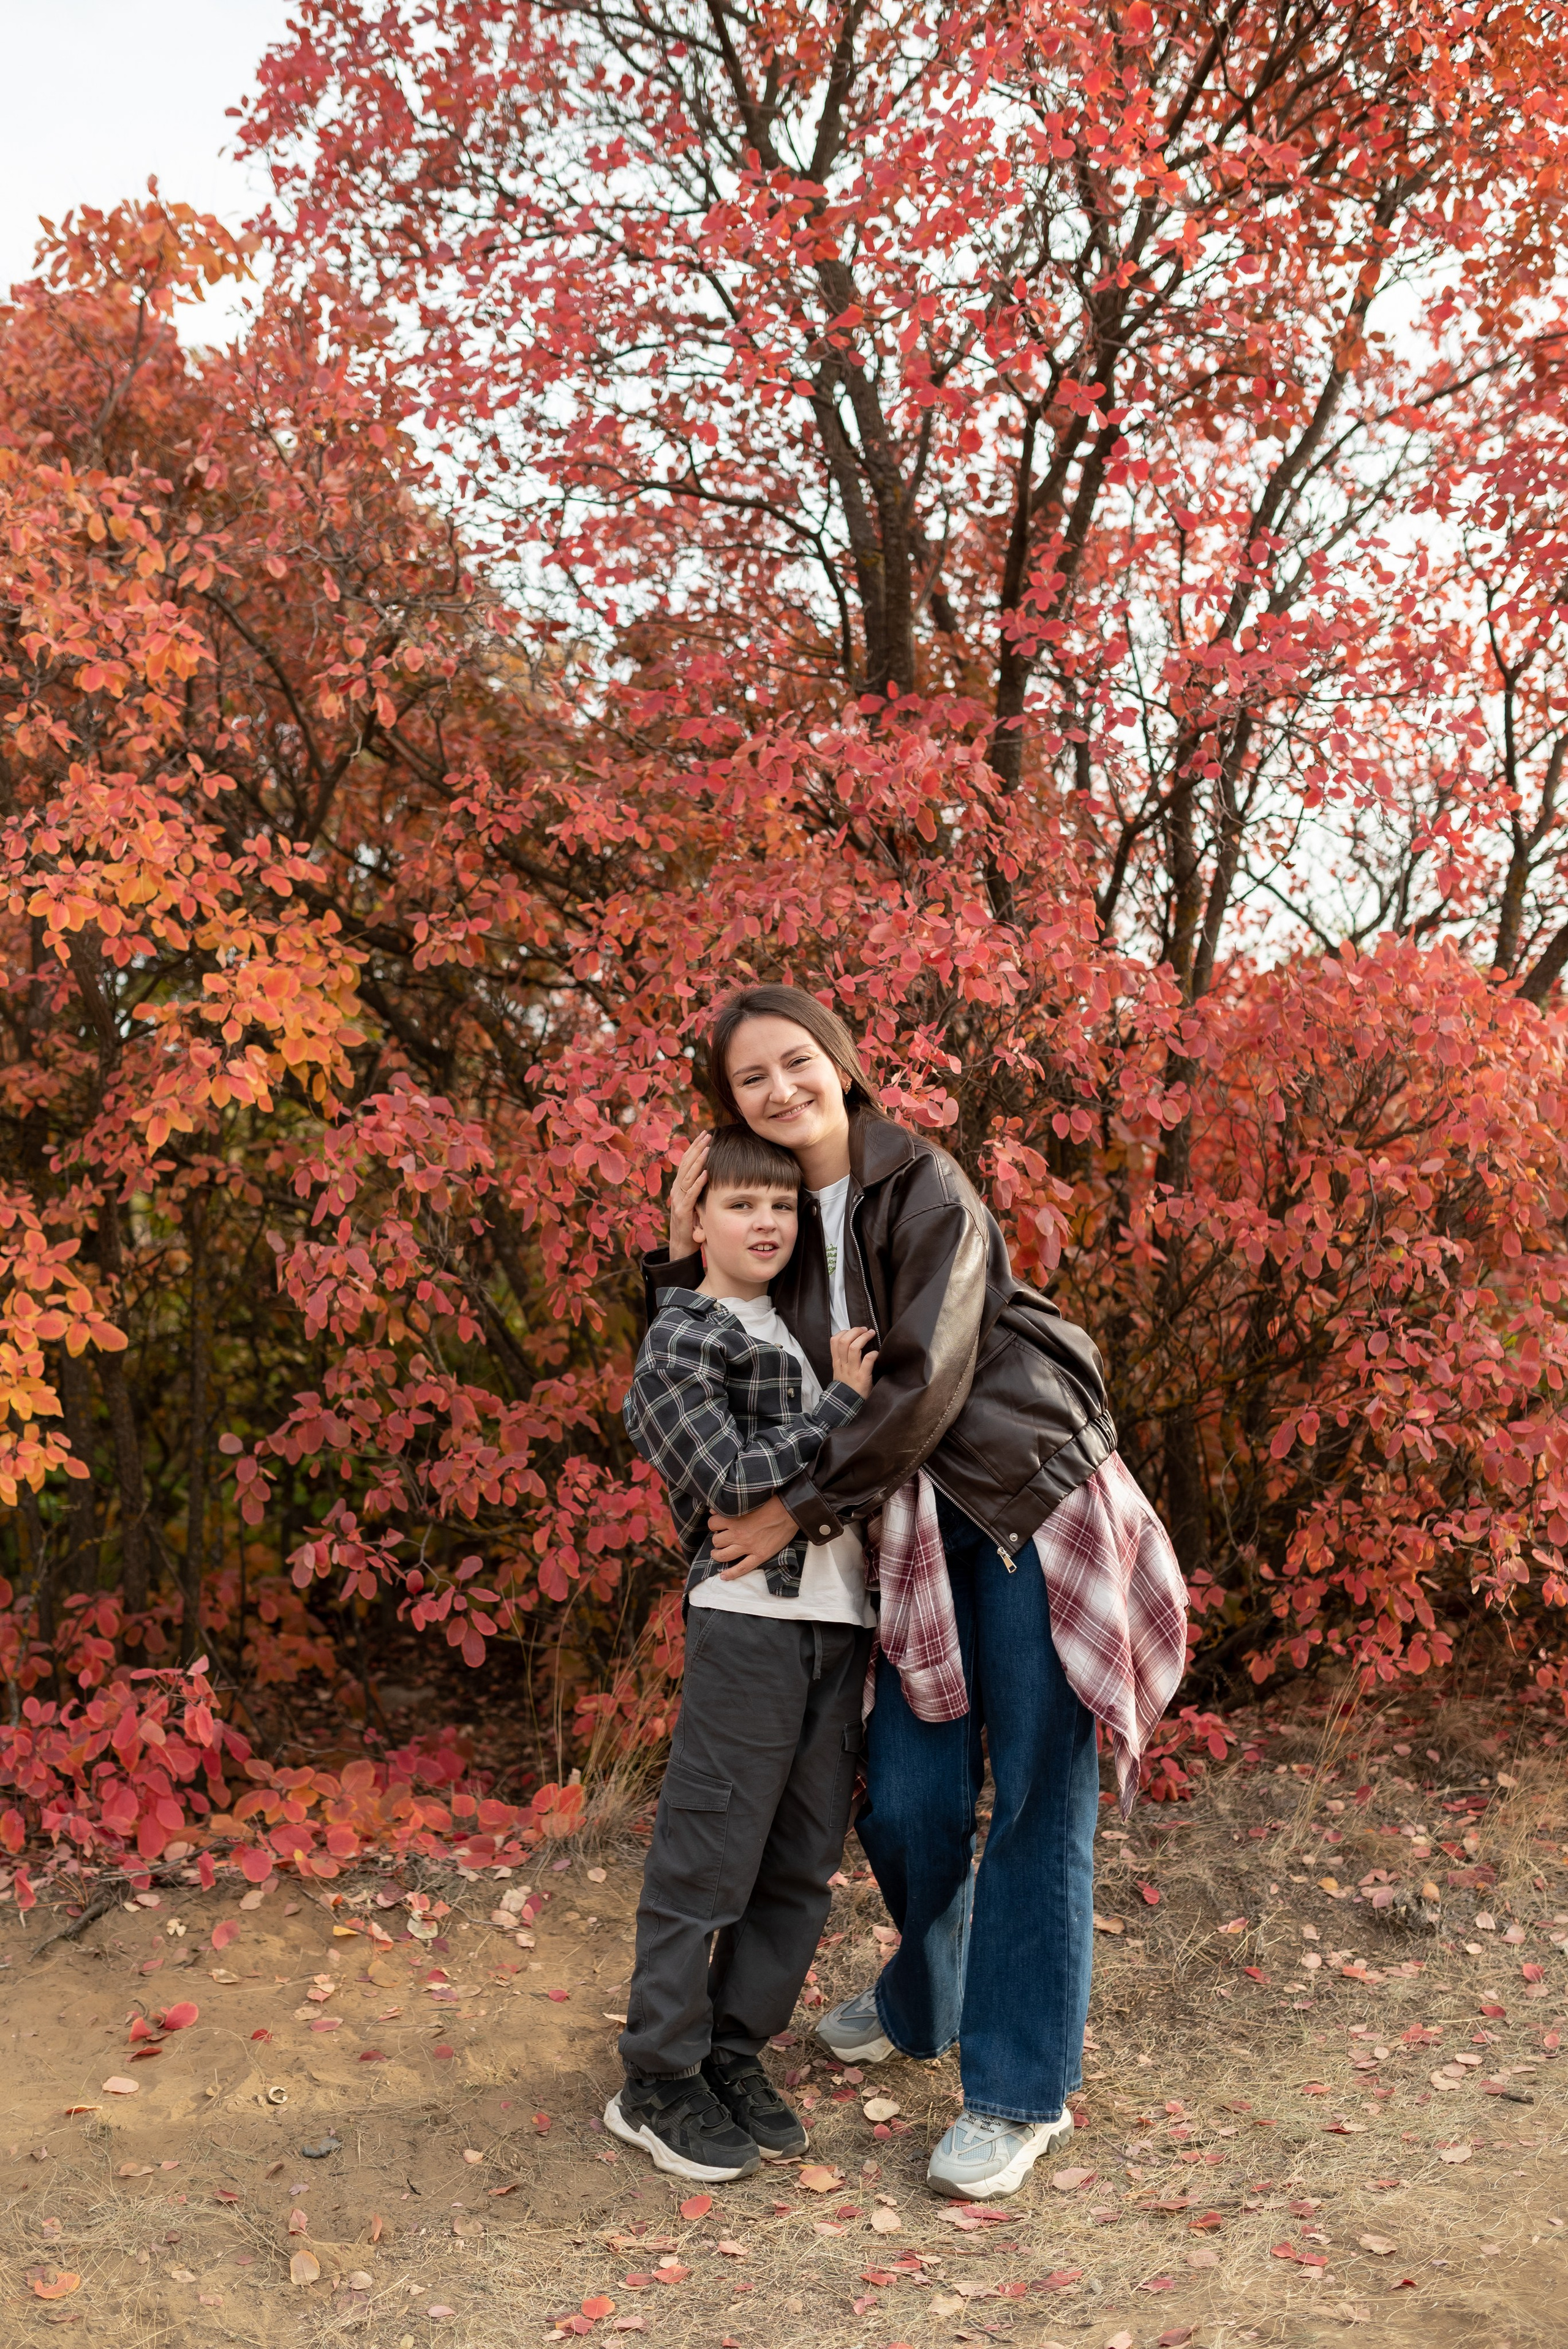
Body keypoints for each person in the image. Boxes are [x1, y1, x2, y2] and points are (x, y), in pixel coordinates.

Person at [645, 985, 1187, 2200]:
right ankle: (924, 1991)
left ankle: (1015, 2093)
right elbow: (710, 1357)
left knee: (1037, 1800)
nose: (778, 1089)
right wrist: (679, 1239)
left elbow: (928, 1380)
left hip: (1016, 1501)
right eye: (749, 1080)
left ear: (842, 1063)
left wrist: (792, 1506)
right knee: (899, 1802)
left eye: (795, 1062)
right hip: (895, 1530)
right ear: (726, 1105)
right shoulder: (771, 1213)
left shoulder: (923, 1185)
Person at [608, 1123, 880, 2183]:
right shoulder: (682, 1341)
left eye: (779, 1205)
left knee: (802, 1864)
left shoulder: (804, 1327)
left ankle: (731, 2052)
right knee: (709, 1859)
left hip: (837, 1626)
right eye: (739, 1203)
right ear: (697, 1217)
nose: (764, 1222)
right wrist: (845, 1410)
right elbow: (726, 1480)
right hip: (747, 1629)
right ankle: (656, 2076)